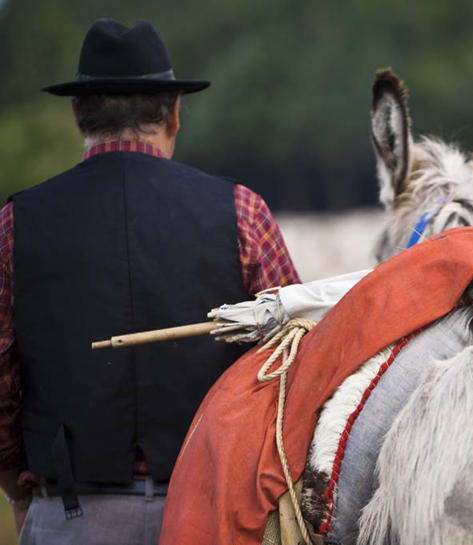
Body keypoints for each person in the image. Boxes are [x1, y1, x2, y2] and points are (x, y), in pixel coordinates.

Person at [0, 18, 300, 544]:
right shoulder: (241, 212)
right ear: (175, 114)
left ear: (77, 115)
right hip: (211, 515)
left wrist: (17, 488)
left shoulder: (14, 225)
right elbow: (293, 364)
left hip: (67, 517)